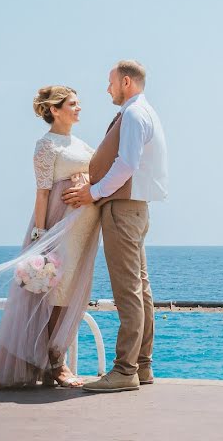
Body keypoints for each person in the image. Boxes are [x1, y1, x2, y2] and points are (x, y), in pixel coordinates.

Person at [0, 86, 101, 388]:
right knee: (54, 293)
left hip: (83, 228)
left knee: (69, 292)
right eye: (73, 104)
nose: (79, 108)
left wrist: (88, 180)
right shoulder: (46, 145)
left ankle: (51, 360)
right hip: (59, 227)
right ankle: (54, 363)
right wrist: (41, 235)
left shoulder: (82, 144)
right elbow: (43, 191)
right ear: (55, 110)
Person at [62, 60, 168, 393]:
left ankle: (125, 371)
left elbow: (127, 164)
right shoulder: (142, 112)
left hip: (123, 209)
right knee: (140, 288)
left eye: (110, 83)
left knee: (128, 291)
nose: (106, 89)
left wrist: (92, 193)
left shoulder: (135, 114)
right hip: (134, 209)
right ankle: (142, 366)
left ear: (126, 82)